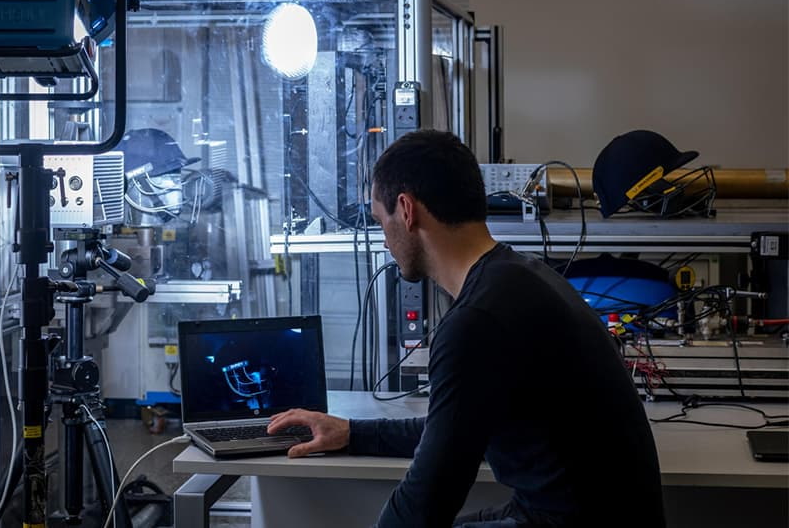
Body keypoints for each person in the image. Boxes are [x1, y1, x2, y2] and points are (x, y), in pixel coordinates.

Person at [266, 130, 665, 527]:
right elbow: (452, 428)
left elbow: (426, 502)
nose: (384, 239)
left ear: (406, 210)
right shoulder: (521, 277)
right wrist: (352, 432)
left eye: (379, 220)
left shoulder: (477, 321)